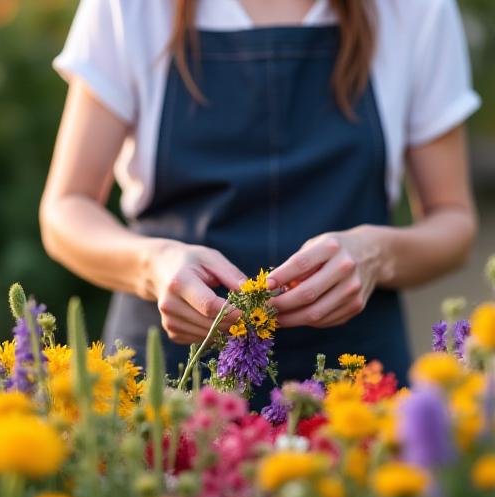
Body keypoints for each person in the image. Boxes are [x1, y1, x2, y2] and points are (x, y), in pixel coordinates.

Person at [40, 0, 480, 387]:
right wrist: (153, 265)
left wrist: (375, 254)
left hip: (352, 388)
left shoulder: (414, 10)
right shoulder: (130, 8)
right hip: (172, 382)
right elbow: (66, 209)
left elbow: (453, 220)